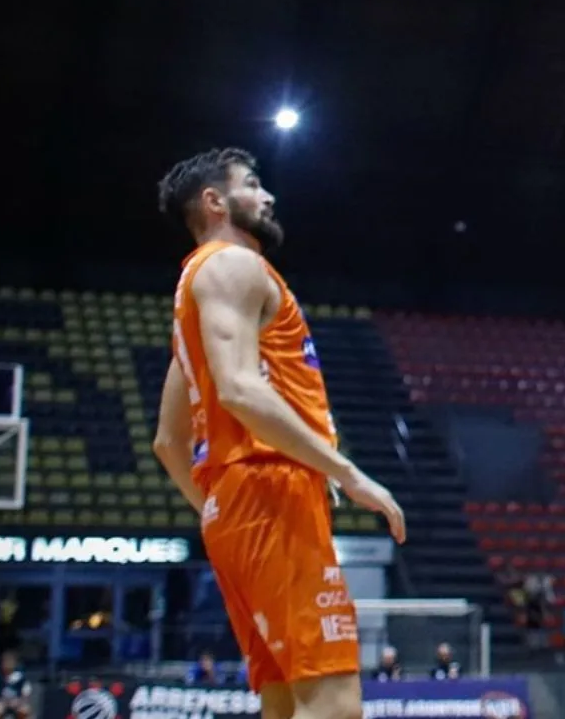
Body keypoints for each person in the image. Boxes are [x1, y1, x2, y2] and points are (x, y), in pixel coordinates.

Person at [152, 148, 406, 719]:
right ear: (214, 202)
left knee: (285, 704)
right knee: (334, 703)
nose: (268, 196)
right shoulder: (233, 266)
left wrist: (220, 508)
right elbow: (241, 390)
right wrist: (348, 472)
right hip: (271, 487)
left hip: (237, 503)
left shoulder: (191, 302)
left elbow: (168, 443)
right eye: (252, 184)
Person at [0, 650, 29, 719]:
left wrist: (18, 702)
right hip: (0, 702)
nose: (8, 663)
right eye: (6, 661)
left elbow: (26, 694)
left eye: (11, 661)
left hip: (16, 703)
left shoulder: (21, 676)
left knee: (24, 710)